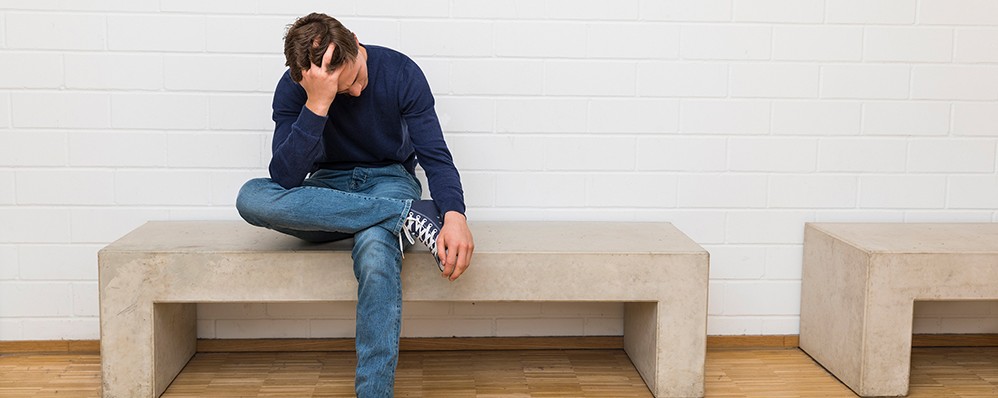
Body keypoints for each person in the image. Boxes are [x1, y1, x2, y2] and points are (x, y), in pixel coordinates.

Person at [235, 12, 474, 397]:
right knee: (251, 196)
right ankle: (407, 217)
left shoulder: (400, 72)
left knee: (376, 254)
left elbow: (435, 156)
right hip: (326, 193)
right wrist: (318, 104)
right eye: (344, 91)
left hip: (389, 182)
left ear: (355, 41)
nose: (357, 92)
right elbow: (285, 179)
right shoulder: (294, 90)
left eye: (357, 78)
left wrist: (455, 215)